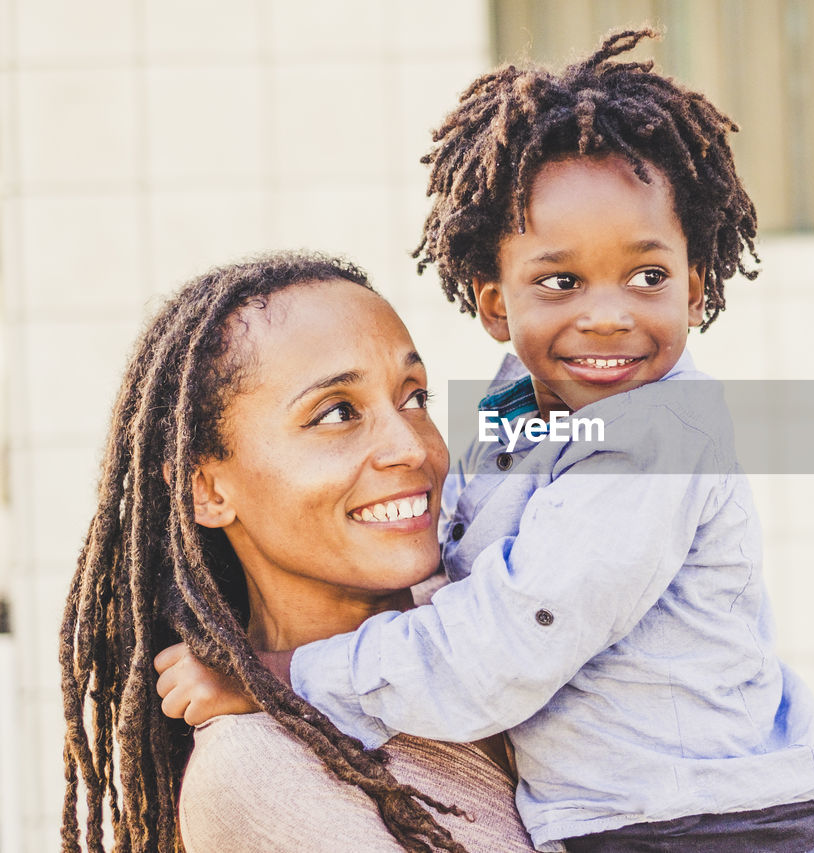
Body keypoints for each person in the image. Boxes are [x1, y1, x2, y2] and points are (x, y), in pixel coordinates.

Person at [161, 30, 814, 852]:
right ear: (497, 305)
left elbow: (508, 642)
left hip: (723, 828)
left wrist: (283, 679)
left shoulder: (652, 435)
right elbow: (464, 521)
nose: (608, 314)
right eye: (561, 282)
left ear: (696, 289)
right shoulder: (516, 401)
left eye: (648, 277)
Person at [61, 251, 535, 852]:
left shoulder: (497, 599)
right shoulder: (256, 770)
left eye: (414, 397)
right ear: (206, 489)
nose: (411, 447)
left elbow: (665, 422)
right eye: (336, 413)